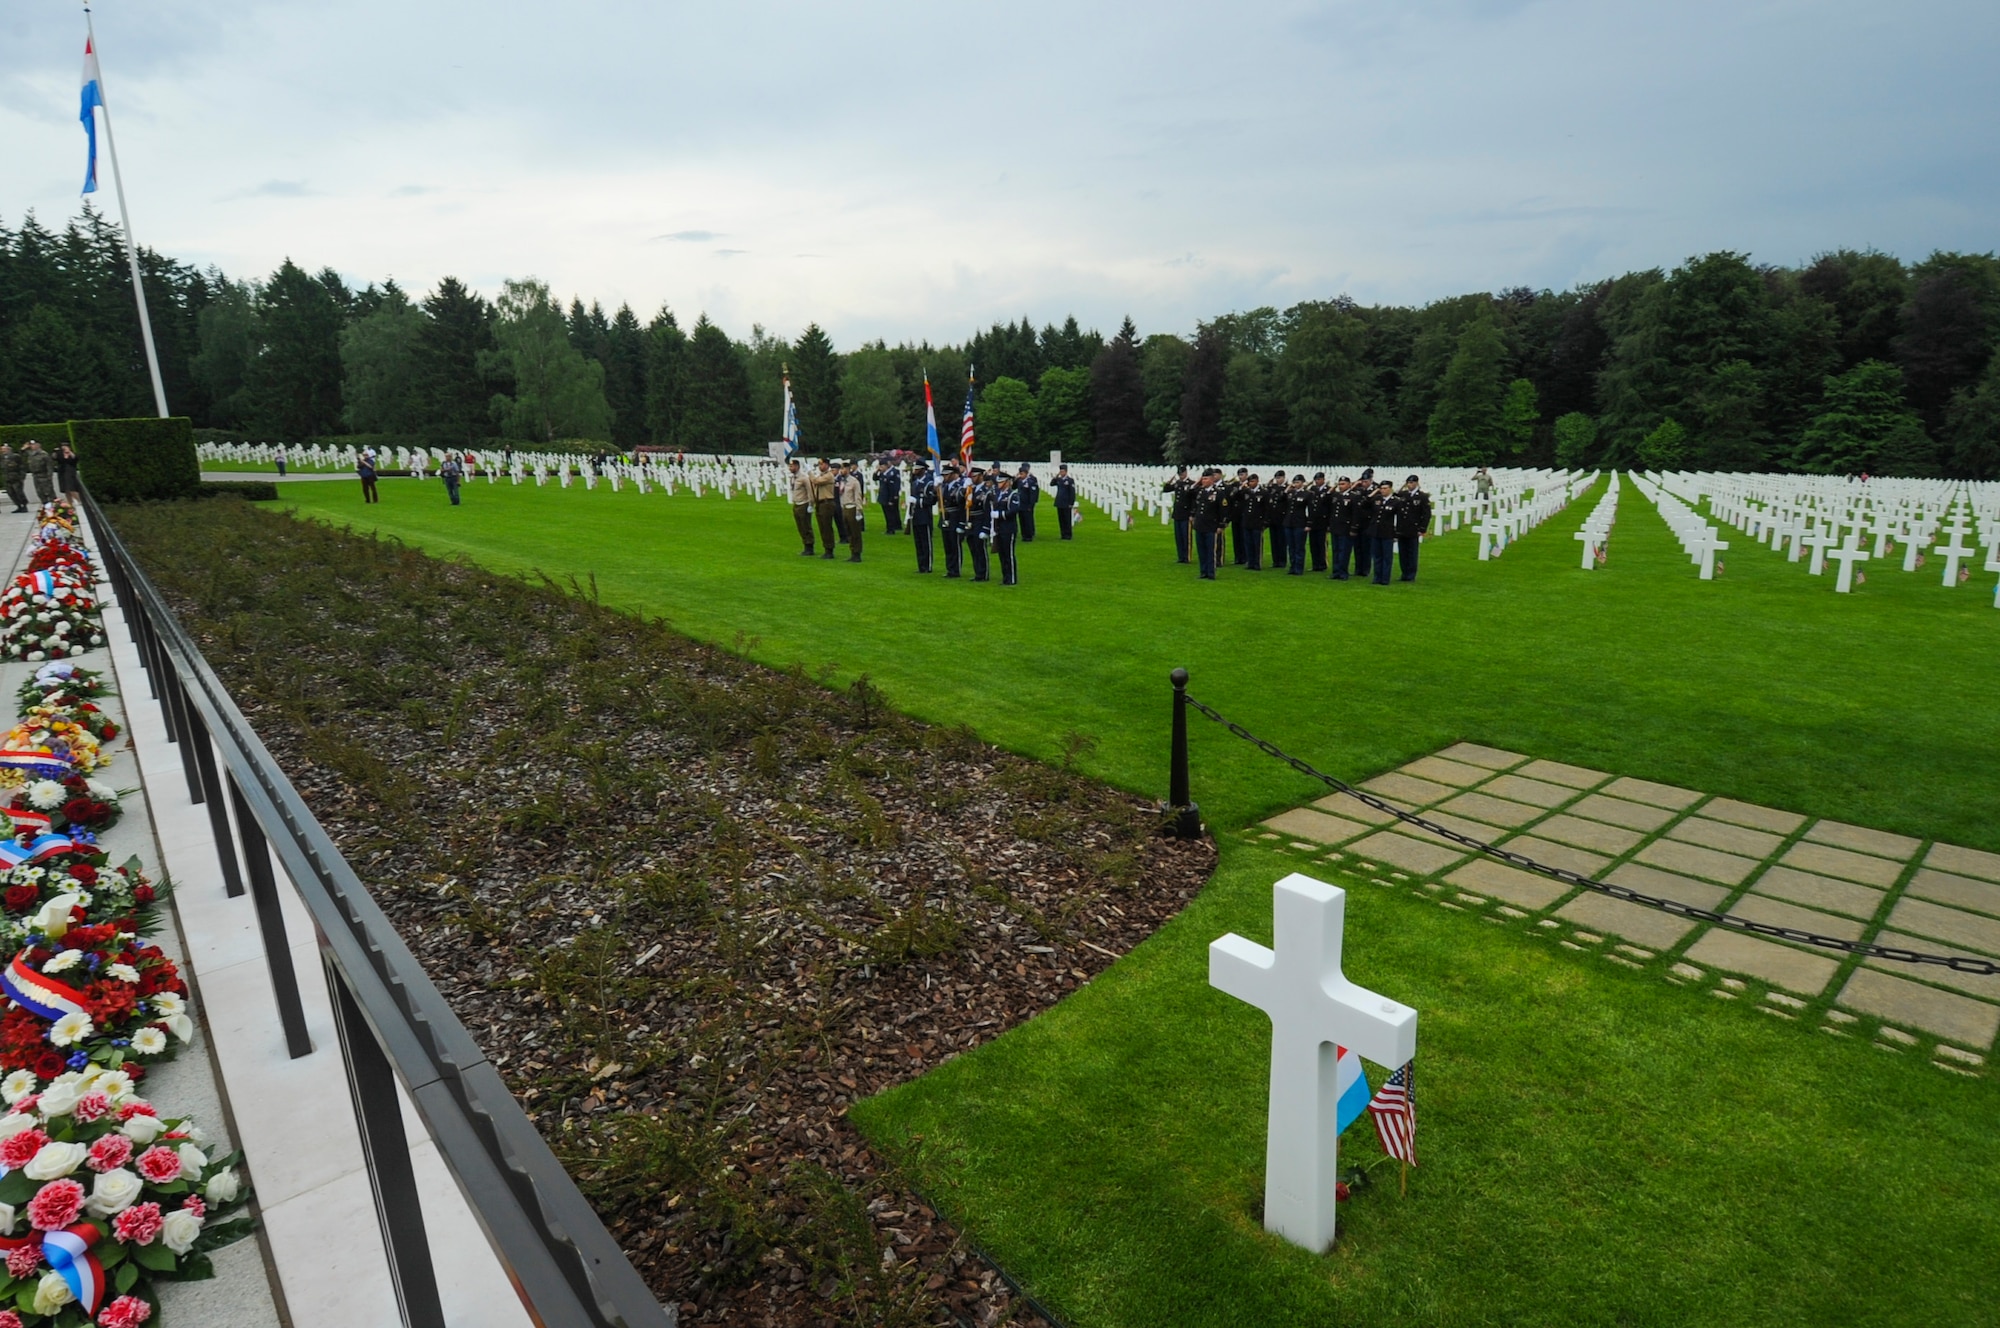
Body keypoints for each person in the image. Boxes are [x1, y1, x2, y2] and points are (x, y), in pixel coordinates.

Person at [1395, 474, 1432, 581]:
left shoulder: (1422, 497)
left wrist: (1422, 529)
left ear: (1416, 483)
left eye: (1411, 483)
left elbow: (1426, 514)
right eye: (1408, 483)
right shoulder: (1403, 494)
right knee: (1403, 553)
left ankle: (1411, 575)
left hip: (1413, 529)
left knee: (1412, 553)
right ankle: (1404, 573)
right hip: (1402, 528)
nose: (1409, 485)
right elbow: (1395, 494)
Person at [1191, 469, 1225, 580]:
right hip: (1200, 525)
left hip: (1211, 526)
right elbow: (1192, 499)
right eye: (1203, 479)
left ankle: (1211, 572)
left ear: (1211, 479)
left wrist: (1221, 525)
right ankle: (1203, 571)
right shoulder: (1201, 492)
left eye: (1205, 479)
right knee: (1201, 550)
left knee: (1211, 551)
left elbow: (1222, 510)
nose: (1203, 481)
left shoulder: (1218, 493)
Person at [965, 467, 994, 582]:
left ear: (981, 476)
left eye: (975, 476)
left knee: (980, 549)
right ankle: (977, 572)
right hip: (971, 522)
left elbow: (987, 511)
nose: (972, 478)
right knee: (973, 549)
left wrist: (986, 528)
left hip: (980, 521)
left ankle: (983, 573)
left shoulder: (985, 491)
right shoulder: (970, 490)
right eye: (972, 476)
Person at [807, 458, 840, 558]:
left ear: (826, 465)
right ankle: (826, 548)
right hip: (820, 503)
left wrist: (809, 472)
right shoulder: (822, 475)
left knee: (826, 527)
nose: (820, 466)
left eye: (821, 464)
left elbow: (816, 481)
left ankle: (829, 549)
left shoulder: (829, 475)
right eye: (819, 464)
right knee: (822, 527)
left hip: (827, 503)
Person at [993, 472, 1022, 584]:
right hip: (1000, 528)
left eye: (1001, 482)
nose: (999, 484)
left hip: (1009, 528)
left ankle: (1012, 578)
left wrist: (1000, 515)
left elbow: (1013, 510)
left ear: (1007, 482)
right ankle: (1005, 577)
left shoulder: (1012, 495)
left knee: (1008, 554)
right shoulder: (999, 494)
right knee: (1002, 554)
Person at [1162, 464, 1195, 562]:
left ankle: (1187, 557)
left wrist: (1192, 514)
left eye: (1182, 473)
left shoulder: (1191, 484)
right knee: (1179, 537)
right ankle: (1181, 556)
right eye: (1179, 474)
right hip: (1178, 513)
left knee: (1186, 537)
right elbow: (1166, 489)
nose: (1181, 475)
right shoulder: (1177, 483)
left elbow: (1193, 500)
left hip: (1186, 514)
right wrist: (1170, 481)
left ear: (1186, 473)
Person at [1369, 480, 1399, 585]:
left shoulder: (1396, 501)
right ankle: (1377, 577)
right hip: (1376, 532)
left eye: (1385, 488)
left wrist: (1396, 533)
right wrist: (1374, 492)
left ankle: (1385, 578)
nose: (1383, 490)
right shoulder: (1376, 499)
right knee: (1376, 556)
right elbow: (1365, 504)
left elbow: (1398, 518)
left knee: (1386, 557)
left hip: (1387, 533)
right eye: (1381, 488)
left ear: (1390, 488)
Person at [909, 462, 937, 572]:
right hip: (915, 515)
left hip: (925, 516)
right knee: (918, 542)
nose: (915, 471)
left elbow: (931, 500)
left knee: (926, 542)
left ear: (923, 469)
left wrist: (918, 501)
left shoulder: (929, 483)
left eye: (917, 469)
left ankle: (927, 565)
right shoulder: (915, 482)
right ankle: (921, 565)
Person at [940, 463, 967, 577]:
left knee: (955, 544)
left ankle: (956, 569)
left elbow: (959, 500)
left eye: (947, 475)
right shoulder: (945, 486)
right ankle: (950, 568)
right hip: (946, 517)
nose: (944, 477)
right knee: (948, 545)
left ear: (954, 474)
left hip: (956, 516)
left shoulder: (960, 486)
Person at [787, 458, 817, 555]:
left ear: (797, 466)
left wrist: (811, 504)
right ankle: (805, 544)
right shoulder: (793, 477)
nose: (789, 468)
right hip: (796, 504)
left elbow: (810, 491)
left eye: (791, 466)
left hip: (804, 504)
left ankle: (809, 546)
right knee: (800, 526)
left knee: (806, 526)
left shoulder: (804, 478)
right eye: (789, 466)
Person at [1328, 478, 1356, 580]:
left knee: (1344, 551)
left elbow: (1355, 514)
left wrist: (1353, 528)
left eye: (1343, 484)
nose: (1340, 486)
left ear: (1349, 484)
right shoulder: (1336, 495)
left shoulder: (1353, 496)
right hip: (1335, 527)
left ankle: (1343, 572)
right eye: (1339, 484)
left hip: (1345, 528)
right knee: (1335, 550)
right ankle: (1336, 571)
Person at [839, 461, 867, 561]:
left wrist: (859, 510)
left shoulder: (854, 481)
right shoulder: (842, 481)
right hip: (845, 507)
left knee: (855, 532)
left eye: (843, 469)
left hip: (852, 507)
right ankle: (852, 551)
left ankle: (857, 552)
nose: (841, 471)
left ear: (847, 469)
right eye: (841, 469)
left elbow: (858, 496)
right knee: (848, 531)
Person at [1283, 474, 1310, 575]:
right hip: (1289, 523)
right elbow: (1281, 500)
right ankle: (1292, 566)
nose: (1296, 484)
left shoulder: (1307, 494)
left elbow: (1309, 510)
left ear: (1303, 483)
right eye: (1294, 482)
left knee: (1299, 547)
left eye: (1298, 482)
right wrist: (1287, 489)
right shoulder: (1291, 493)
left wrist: (1308, 524)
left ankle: (1299, 567)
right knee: (1291, 547)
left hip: (1300, 523)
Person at [1306, 472, 1333, 572]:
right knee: (1313, 544)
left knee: (1322, 544)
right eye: (1316, 480)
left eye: (1319, 479)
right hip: (1313, 521)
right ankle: (1315, 564)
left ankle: (1322, 564)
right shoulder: (1313, 490)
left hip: (1323, 521)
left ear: (1323, 480)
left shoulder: (1328, 490)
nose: (1317, 482)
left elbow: (1330, 508)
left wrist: (1329, 523)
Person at [1241, 473, 1265, 571]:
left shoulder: (1263, 492)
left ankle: (1257, 563)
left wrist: (1264, 521)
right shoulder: (1246, 492)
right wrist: (1241, 488)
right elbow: (1236, 497)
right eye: (1249, 481)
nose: (1251, 483)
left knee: (1257, 544)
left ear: (1257, 481)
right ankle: (1250, 562)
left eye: (1252, 481)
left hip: (1257, 522)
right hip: (1247, 521)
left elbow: (1266, 508)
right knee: (1248, 543)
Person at [1266, 470, 1289, 568]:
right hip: (1273, 518)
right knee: (1274, 541)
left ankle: (1282, 561)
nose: (1278, 480)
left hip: (1282, 518)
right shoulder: (1273, 488)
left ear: (1283, 478)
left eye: (1279, 478)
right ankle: (1275, 560)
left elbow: (1283, 499)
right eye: (1277, 478)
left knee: (1281, 541)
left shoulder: (1287, 488)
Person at [875, 459, 903, 534]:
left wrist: (892, 498)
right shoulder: (882, 473)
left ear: (886, 466)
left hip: (890, 497)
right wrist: (877, 471)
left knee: (891, 513)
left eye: (882, 466)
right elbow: (875, 478)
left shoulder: (894, 472)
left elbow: (895, 486)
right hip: (883, 497)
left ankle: (891, 529)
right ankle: (890, 527)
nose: (881, 467)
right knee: (887, 514)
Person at [1015, 463, 1041, 541]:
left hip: (1027, 504)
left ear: (1026, 474)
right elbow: (1013, 487)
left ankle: (1029, 536)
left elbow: (1032, 495)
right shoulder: (1019, 481)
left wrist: (1031, 505)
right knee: (1022, 520)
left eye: (1022, 474)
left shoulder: (1030, 482)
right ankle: (1024, 535)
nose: (1021, 475)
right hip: (1020, 504)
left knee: (1028, 520)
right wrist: (1015, 479)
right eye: (1020, 473)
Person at [24, 442, 54, 507]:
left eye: (33, 445)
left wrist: (49, 476)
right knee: (40, 492)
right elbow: (22, 453)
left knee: (48, 492)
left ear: (38, 445)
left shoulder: (43, 454)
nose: (32, 446)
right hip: (35, 476)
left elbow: (49, 466)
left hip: (43, 475)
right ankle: (45, 506)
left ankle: (54, 507)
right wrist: (25, 447)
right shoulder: (31, 454)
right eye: (31, 445)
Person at [1053, 463, 1077, 539]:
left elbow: (1072, 492)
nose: (1061, 473)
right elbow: (1052, 483)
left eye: (1063, 471)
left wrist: (1071, 502)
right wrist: (1056, 476)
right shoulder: (1059, 480)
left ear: (1066, 472)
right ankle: (1063, 534)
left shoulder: (1070, 480)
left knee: (1067, 519)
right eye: (1061, 471)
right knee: (1061, 519)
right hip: (1059, 502)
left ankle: (1068, 534)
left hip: (1066, 502)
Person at [0, 445, 22, 513]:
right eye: (2, 450)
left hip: (15, 476)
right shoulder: (2, 457)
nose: (3, 451)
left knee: (18, 492)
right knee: (10, 492)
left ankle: (23, 505)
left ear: (9, 450)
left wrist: (22, 476)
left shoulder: (15, 456)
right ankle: (18, 505)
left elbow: (21, 466)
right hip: (7, 477)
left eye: (4, 449)